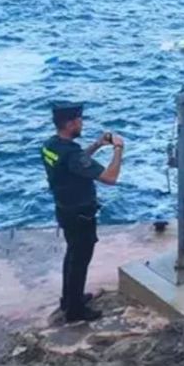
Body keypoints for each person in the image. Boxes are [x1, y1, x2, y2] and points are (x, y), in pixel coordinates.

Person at [41, 102, 124, 322]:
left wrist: (97, 145)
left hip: (64, 210)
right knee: (80, 261)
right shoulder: (71, 154)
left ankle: (69, 299)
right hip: (81, 215)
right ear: (69, 124)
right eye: (79, 120)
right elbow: (110, 178)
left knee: (72, 256)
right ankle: (76, 312)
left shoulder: (51, 146)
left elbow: (76, 162)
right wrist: (118, 149)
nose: (81, 124)